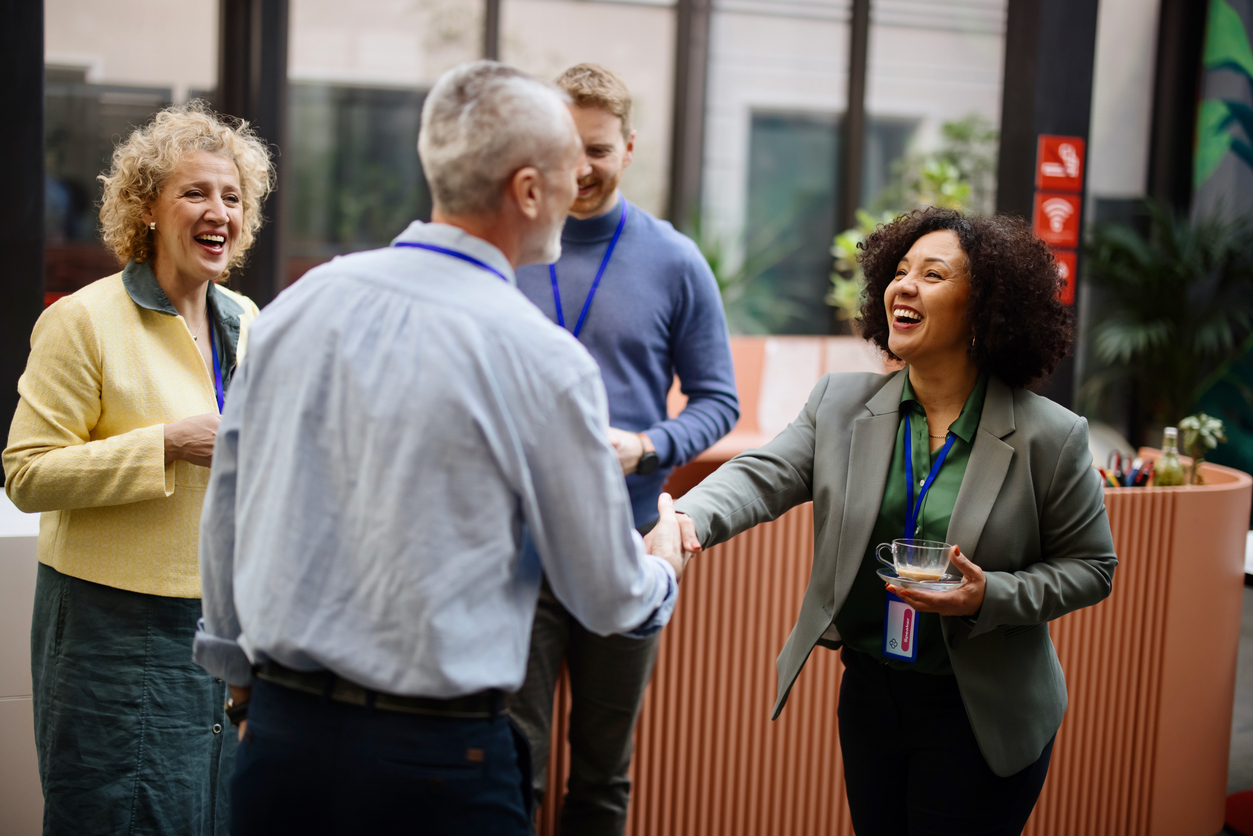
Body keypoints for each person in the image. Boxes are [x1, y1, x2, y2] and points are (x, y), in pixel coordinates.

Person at [192, 61, 691, 836]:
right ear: (528, 190)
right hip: (438, 767)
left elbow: (226, 509)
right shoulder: (544, 359)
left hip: (281, 746)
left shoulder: (300, 305)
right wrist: (661, 563)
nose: (576, 189)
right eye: (566, 172)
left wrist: (244, 695)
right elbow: (605, 595)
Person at [660, 207, 1118, 835]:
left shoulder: (1052, 436)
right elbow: (761, 475)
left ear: (984, 306)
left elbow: (1093, 568)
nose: (904, 286)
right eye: (899, 272)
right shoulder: (839, 404)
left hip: (979, 709)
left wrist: (990, 595)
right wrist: (686, 519)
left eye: (932, 275)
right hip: (872, 696)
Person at [3, 100, 272, 835]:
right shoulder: (81, 321)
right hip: (108, 631)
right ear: (146, 208)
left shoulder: (249, 321)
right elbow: (26, 473)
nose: (218, 210)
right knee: (117, 815)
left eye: (232, 196)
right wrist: (165, 444)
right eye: (195, 192)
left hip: (219, 626)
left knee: (212, 814)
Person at [508, 63, 738, 834]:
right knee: (514, 759)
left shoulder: (674, 260)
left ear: (628, 148)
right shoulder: (504, 245)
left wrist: (647, 446)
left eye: (598, 149)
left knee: (603, 774)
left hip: (629, 542)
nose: (580, 166)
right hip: (518, 548)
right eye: (565, 145)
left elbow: (718, 402)